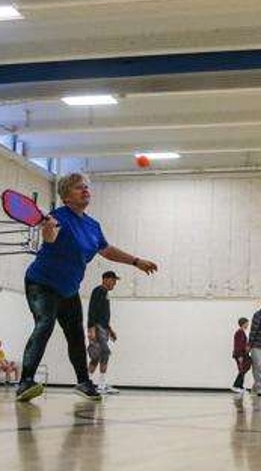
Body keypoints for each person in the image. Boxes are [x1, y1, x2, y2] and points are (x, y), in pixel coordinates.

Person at [14, 172, 157, 402]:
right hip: (41, 283)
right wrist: (47, 227)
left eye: (87, 187)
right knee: (45, 325)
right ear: (66, 196)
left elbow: (106, 250)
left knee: (75, 336)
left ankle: (83, 382)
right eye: (80, 187)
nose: (86, 190)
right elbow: (49, 239)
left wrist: (136, 261)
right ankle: (25, 383)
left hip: (68, 289)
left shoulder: (92, 225)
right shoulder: (57, 217)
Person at [87, 270, 120, 394]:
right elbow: (92, 310)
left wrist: (110, 330)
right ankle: (100, 385)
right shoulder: (99, 291)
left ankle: (89, 383)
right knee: (104, 353)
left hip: (103, 328)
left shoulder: (104, 292)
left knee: (97, 356)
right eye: (113, 280)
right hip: (98, 328)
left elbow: (103, 315)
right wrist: (91, 329)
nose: (114, 283)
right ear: (106, 279)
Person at [230, 317, 250, 394]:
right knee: (242, 370)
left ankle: (240, 386)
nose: (248, 324)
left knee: (244, 369)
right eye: (247, 323)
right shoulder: (239, 332)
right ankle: (236, 386)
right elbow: (238, 345)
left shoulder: (242, 332)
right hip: (240, 354)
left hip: (243, 354)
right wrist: (240, 356)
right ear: (243, 323)